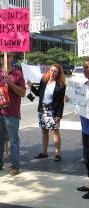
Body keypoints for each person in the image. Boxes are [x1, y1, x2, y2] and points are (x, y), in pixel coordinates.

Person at [0, 52, 26, 176]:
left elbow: (23, 93)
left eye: (9, 55)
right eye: (4, 55)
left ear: (12, 58)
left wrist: (11, 83)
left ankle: (15, 166)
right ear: (1, 59)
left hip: (11, 111)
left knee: (13, 140)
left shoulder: (18, 74)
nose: (6, 57)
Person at [28, 64, 66, 161]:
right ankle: (44, 152)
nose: (52, 73)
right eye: (51, 70)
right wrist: (31, 87)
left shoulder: (60, 85)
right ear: (49, 71)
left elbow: (61, 102)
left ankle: (57, 154)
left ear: (58, 74)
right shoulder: (44, 81)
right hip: (42, 109)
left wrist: (59, 115)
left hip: (53, 111)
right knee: (44, 131)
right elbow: (38, 94)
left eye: (55, 71)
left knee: (55, 132)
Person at [76, 59, 89, 199]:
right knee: (86, 158)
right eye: (84, 67)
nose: (84, 70)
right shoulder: (84, 84)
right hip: (85, 128)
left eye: (87, 67)